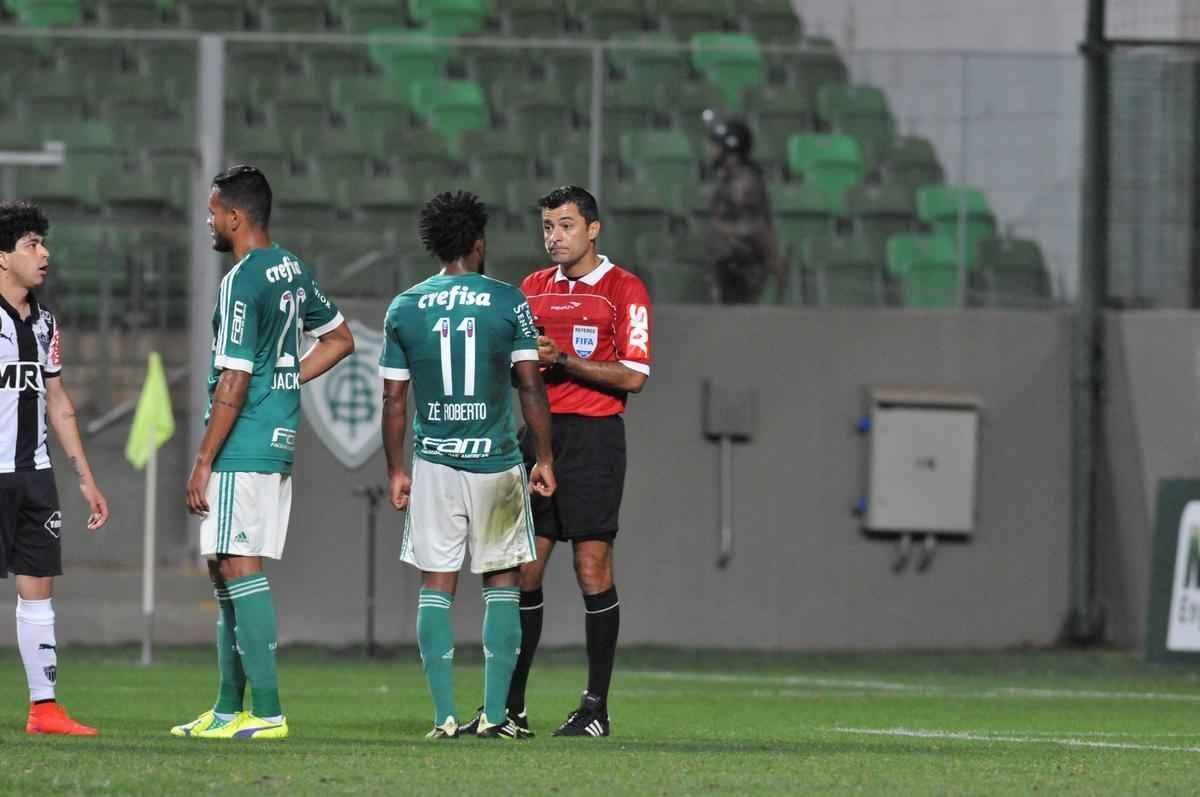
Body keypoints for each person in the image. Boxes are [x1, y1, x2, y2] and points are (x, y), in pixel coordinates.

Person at [173, 165, 355, 740]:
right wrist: (289, 381)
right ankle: (228, 709)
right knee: (225, 566)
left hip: (242, 439)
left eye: (212, 210)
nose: (208, 219)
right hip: (272, 434)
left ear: (235, 215)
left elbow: (232, 379)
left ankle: (268, 712)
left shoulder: (243, 279)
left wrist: (202, 459)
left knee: (239, 567)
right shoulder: (293, 268)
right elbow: (340, 339)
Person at [379, 190, 556, 740]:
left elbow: (393, 400)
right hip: (497, 462)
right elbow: (529, 385)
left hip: (434, 463)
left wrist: (395, 470)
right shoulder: (509, 302)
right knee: (502, 583)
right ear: (479, 244)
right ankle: (497, 717)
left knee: (437, 585)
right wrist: (544, 457)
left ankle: (442, 718)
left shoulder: (405, 307)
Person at [483, 185, 651, 738]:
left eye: (566, 225)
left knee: (591, 568)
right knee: (525, 571)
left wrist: (567, 362)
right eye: (548, 227)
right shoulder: (530, 289)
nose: (555, 237)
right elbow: (515, 370)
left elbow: (633, 375)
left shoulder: (624, 289)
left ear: (593, 229)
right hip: (536, 437)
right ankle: (512, 708)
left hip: (595, 439)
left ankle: (595, 708)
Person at [0, 201, 109, 736]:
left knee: (38, 588)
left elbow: (58, 402)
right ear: (2, 257)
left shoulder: (44, 322)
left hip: (35, 474)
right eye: (31, 245)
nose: (45, 255)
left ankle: (44, 709)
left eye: (44, 244)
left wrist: (86, 479)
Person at [703, 113, 784, 304]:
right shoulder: (731, 178)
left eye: (716, 146)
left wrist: (773, 258)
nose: (710, 150)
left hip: (742, 266)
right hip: (733, 263)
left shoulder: (742, 183)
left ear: (730, 150)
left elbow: (755, 226)